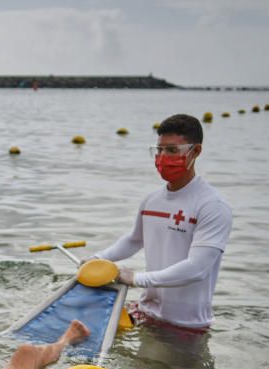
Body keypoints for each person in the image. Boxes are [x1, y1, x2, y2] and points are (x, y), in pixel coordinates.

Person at [93, 114, 232, 332]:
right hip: (146, 313)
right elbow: (134, 240)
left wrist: (137, 278)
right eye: (159, 150)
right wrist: (98, 258)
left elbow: (197, 268)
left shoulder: (212, 206)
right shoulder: (151, 201)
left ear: (195, 152)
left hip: (186, 326)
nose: (162, 157)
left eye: (172, 150)